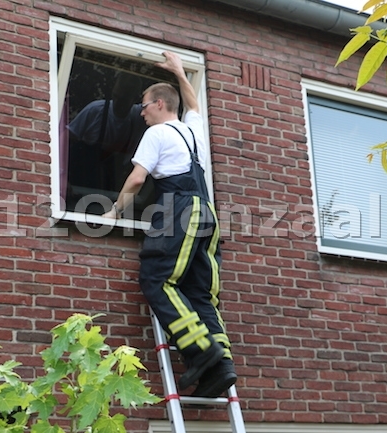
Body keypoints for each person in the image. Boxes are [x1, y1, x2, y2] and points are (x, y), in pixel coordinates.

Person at [102, 51, 237, 397]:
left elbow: (136, 179)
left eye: (144, 105)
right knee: (200, 292)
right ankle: (220, 368)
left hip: (179, 210)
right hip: (207, 214)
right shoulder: (193, 132)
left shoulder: (158, 134)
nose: (141, 111)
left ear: (159, 104)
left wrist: (114, 211)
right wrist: (180, 71)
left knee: (158, 278)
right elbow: (191, 102)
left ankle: (201, 353)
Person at [67, 72, 147, 195]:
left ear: (135, 99)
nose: (117, 102)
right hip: (80, 177)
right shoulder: (94, 110)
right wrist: (62, 178)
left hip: (112, 184)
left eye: (123, 99)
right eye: (116, 96)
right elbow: (65, 139)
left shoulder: (140, 117)